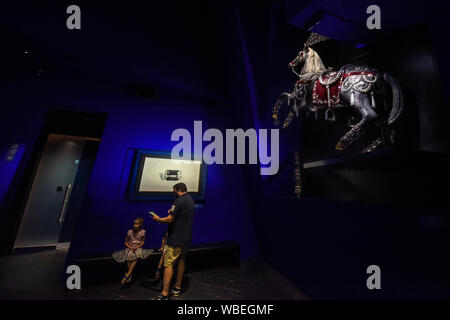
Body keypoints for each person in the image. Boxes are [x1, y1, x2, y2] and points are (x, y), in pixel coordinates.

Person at [151, 182, 195, 300]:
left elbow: (170, 219)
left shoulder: (179, 201)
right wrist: (172, 212)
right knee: (181, 261)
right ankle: (177, 288)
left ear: (179, 190)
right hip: (185, 238)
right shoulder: (190, 199)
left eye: (173, 190)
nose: (172, 192)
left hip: (175, 239)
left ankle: (164, 294)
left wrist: (158, 219)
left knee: (168, 264)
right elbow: (180, 216)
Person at [112, 217, 153, 286]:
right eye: (134, 224)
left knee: (136, 255)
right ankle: (129, 274)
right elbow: (126, 242)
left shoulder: (142, 232)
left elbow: (142, 242)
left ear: (140, 224)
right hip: (130, 247)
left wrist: (136, 247)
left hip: (137, 247)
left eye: (136, 224)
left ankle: (128, 274)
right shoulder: (129, 232)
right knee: (129, 255)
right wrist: (130, 247)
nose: (134, 225)